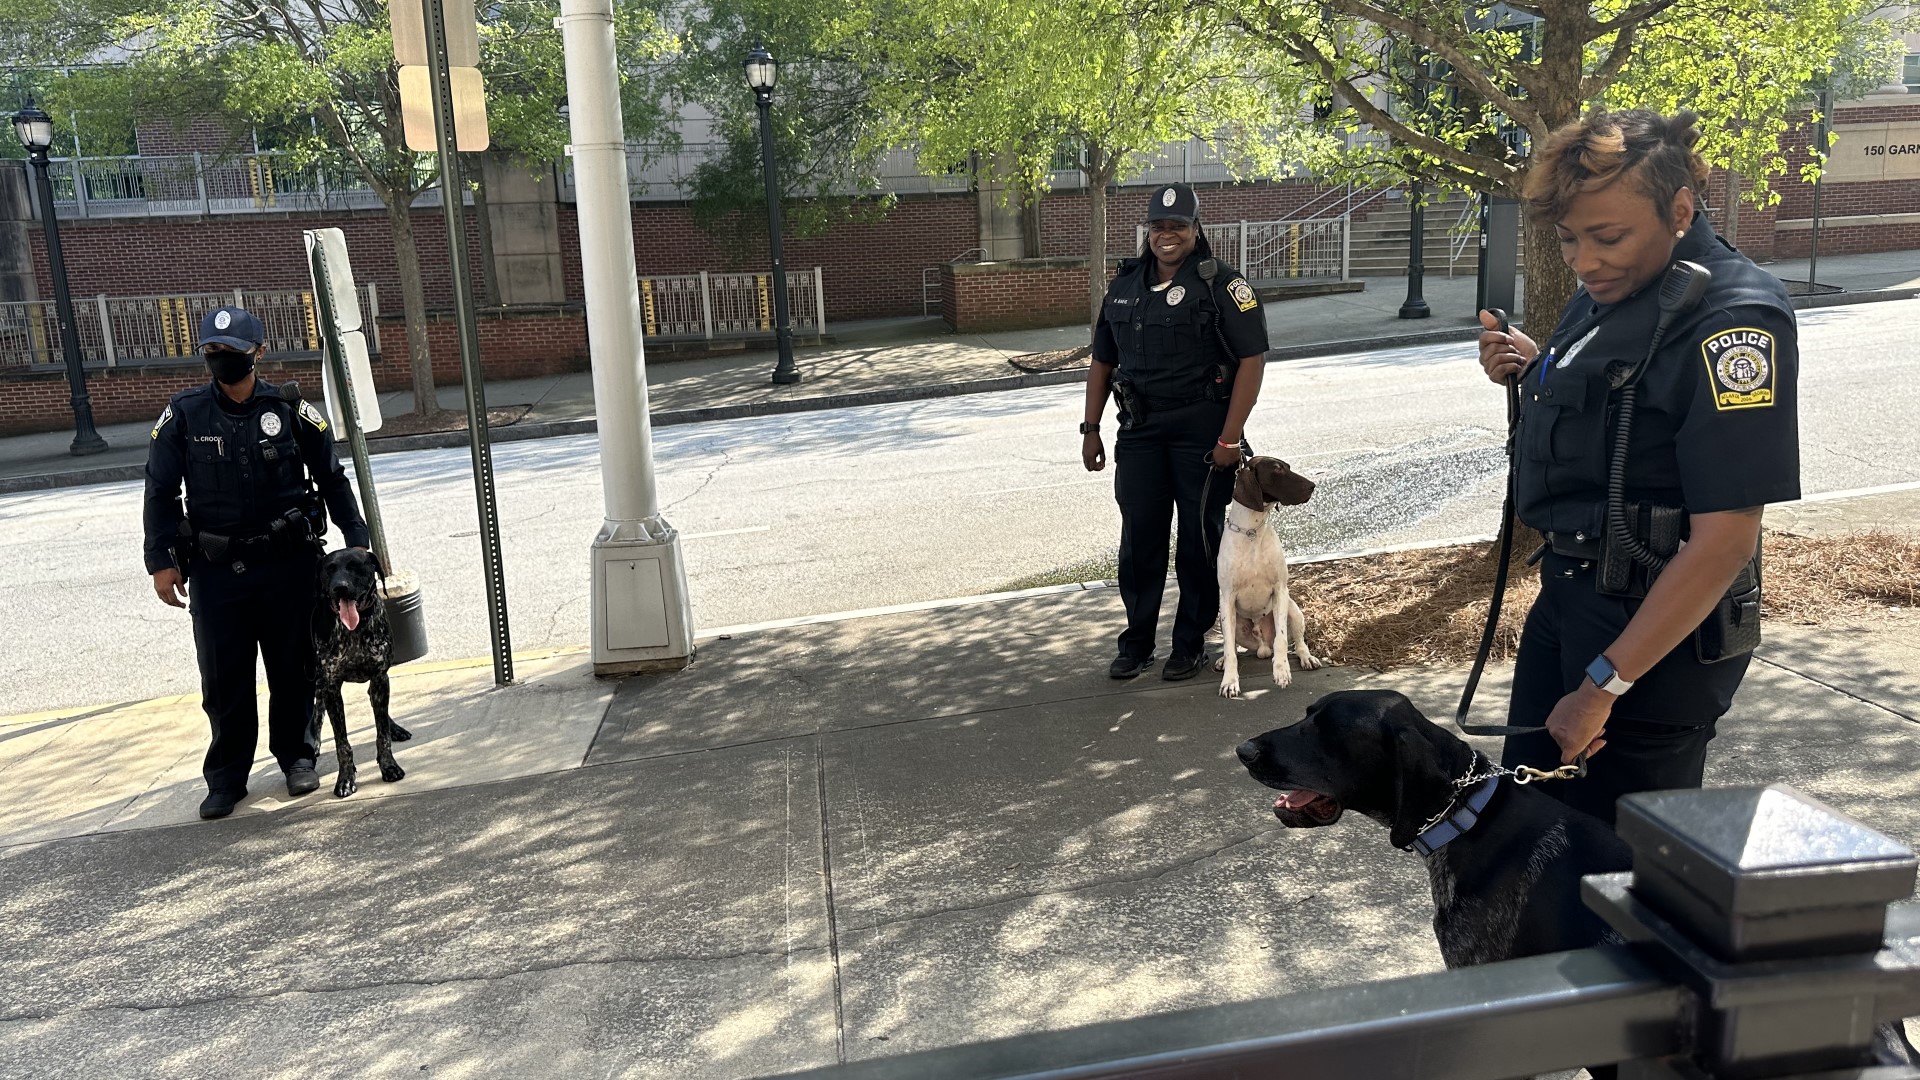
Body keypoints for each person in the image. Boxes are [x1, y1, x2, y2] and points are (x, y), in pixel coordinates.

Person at [1476, 109, 1799, 827]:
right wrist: (1535, 370)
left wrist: (1602, 687)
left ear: (1679, 210)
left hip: (1651, 640)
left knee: (1617, 870)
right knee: (1531, 835)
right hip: (1570, 596)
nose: (1585, 261)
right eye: (1568, 240)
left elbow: (1723, 542)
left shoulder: (1732, 319)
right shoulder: (1614, 295)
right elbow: (1624, 410)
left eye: (1608, 237)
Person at [144, 306, 371, 820]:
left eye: (233, 352)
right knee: (223, 678)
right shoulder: (183, 415)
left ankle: (297, 756)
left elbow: (333, 479)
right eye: (213, 352)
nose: (222, 360)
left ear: (258, 353)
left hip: (287, 564)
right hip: (215, 569)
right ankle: (227, 777)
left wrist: (356, 541)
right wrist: (161, 561)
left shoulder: (290, 409)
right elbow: (159, 490)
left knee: (294, 667)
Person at [1082, 183, 1271, 681]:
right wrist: (1090, 427)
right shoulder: (1124, 285)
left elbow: (1252, 361)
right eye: (1159, 227)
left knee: (1198, 541)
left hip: (1203, 433)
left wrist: (1230, 439)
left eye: (1178, 226)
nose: (1168, 235)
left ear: (1196, 229)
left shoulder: (1223, 285)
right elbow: (1102, 360)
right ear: (1149, 231)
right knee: (1140, 537)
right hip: (1140, 431)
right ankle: (1137, 642)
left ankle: (1189, 642)